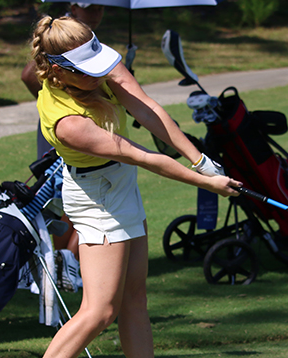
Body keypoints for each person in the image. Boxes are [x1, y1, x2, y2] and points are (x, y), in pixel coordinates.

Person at [31, 16, 242, 358]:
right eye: (88, 71)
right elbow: (143, 156)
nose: (99, 74)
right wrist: (207, 182)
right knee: (99, 311)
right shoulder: (67, 123)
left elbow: (147, 110)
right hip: (97, 198)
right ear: (59, 71)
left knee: (134, 299)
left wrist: (201, 160)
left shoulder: (98, 67)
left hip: (121, 183)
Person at [22, 2, 105, 258]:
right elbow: (29, 75)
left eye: (100, 7)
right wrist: (62, 102)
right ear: (74, 7)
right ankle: (65, 262)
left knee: (76, 198)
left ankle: (66, 263)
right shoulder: (62, 35)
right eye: (90, 8)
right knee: (66, 196)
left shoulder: (84, 36)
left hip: (79, 127)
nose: (96, 13)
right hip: (68, 128)